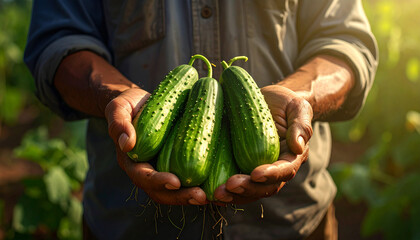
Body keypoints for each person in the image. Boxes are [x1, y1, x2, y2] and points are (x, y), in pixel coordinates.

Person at [24, 0, 377, 239]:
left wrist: (300, 98)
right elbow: (58, 41)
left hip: (292, 224)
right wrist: (115, 97)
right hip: (130, 227)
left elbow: (346, 43)